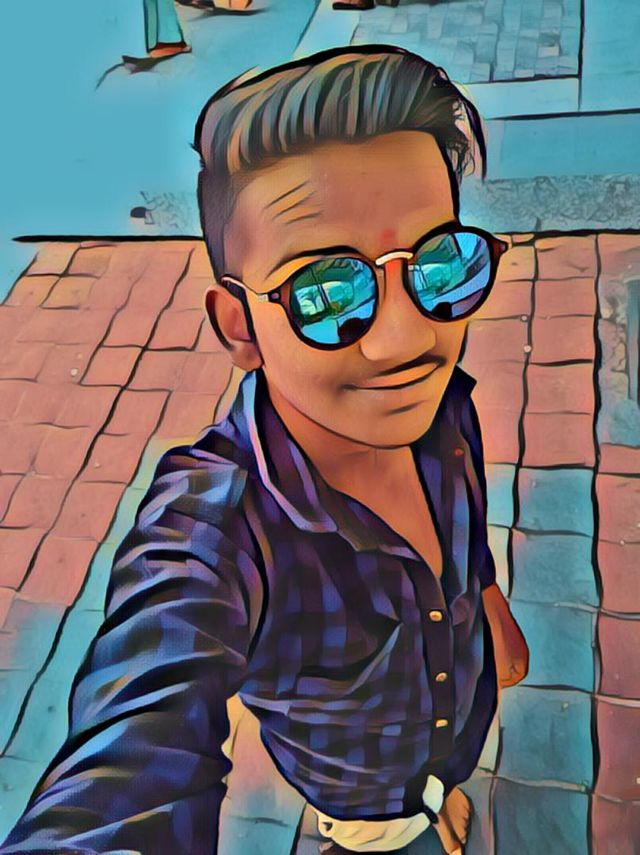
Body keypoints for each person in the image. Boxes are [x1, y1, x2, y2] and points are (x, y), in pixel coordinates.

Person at [0, 46, 529, 855]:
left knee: (441, 799)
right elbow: (129, 765)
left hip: (457, 729)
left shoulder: (442, 406)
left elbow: (461, 531)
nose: (407, 339)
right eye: (327, 292)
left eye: (440, 264)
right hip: (360, 796)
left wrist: (486, 598)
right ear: (239, 324)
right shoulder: (213, 530)